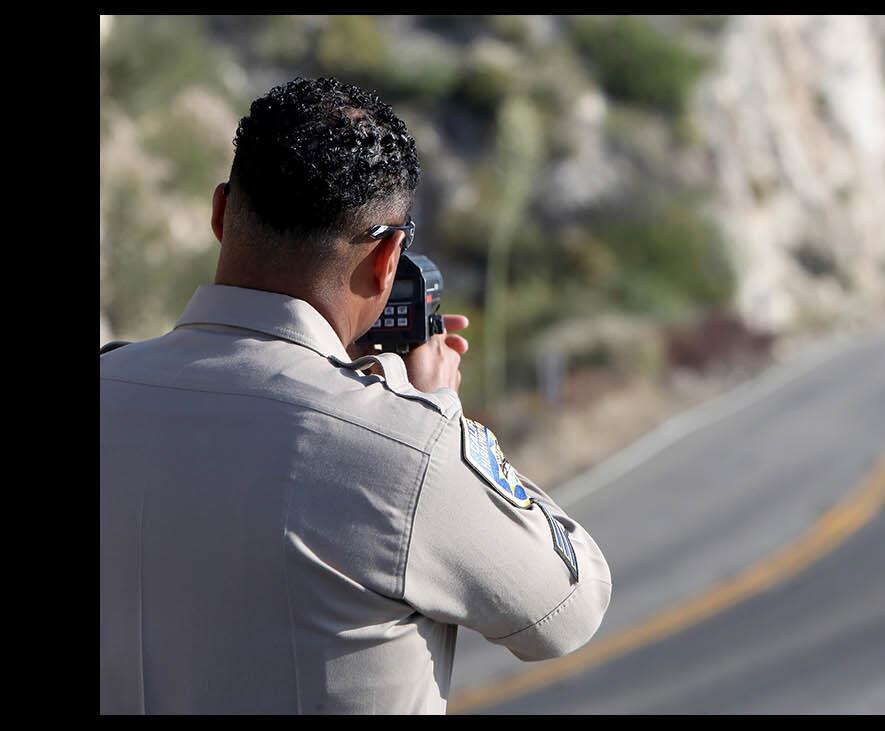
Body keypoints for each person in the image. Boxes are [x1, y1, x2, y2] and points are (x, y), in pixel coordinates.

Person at [100, 76, 612, 714]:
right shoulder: (407, 451)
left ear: (220, 213)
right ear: (388, 257)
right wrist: (440, 419)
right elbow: (567, 607)